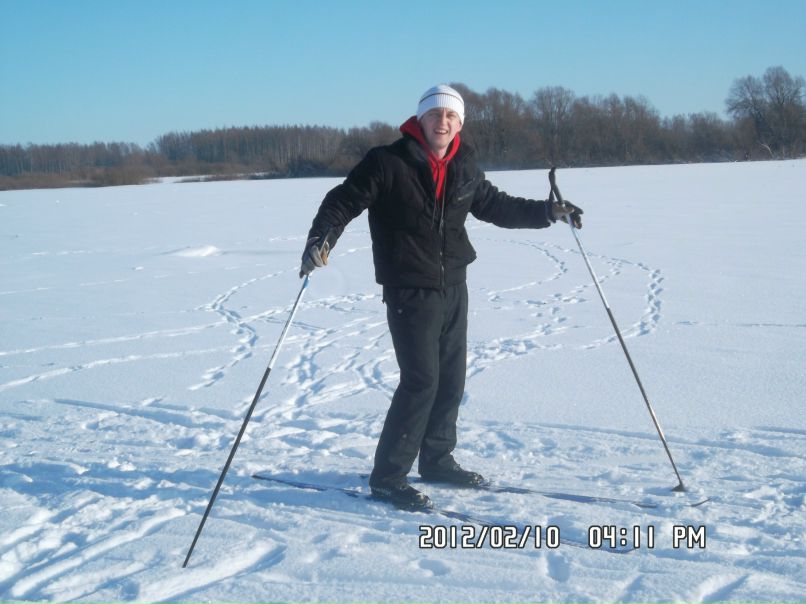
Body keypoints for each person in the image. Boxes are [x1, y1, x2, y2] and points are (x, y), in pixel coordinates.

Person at [300, 84, 583, 508]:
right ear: (421, 120)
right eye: (436, 115)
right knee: (421, 381)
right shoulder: (387, 162)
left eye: (451, 116)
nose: (443, 122)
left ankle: (436, 459)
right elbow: (344, 200)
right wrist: (322, 236)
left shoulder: (464, 163)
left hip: (454, 283)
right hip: (408, 286)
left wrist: (547, 212)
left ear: (459, 123)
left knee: (451, 378)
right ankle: (388, 476)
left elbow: (493, 205)